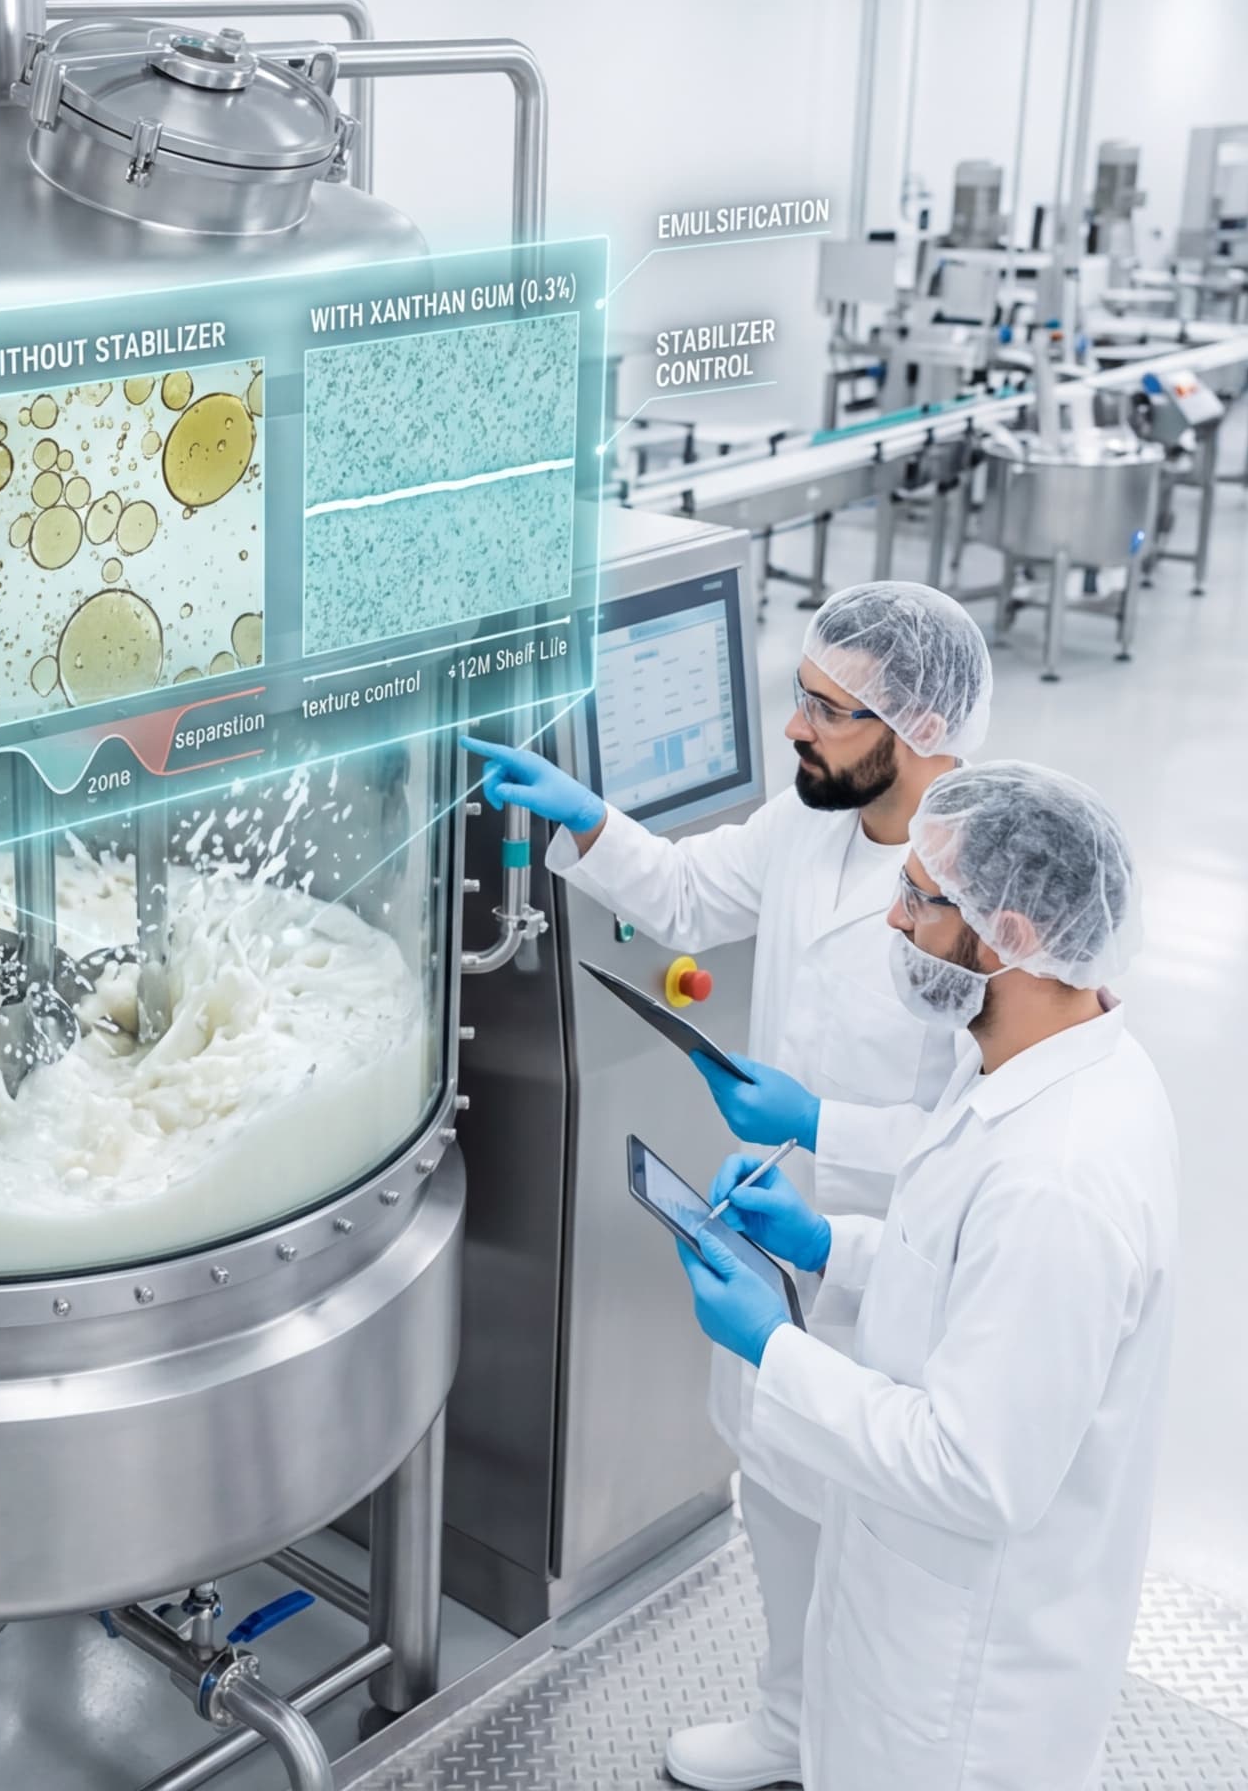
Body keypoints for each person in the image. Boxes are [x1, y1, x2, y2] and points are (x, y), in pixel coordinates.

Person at [463, 581, 992, 1791]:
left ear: (918, 735)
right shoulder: (816, 814)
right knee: (783, 1493)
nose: (793, 727)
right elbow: (695, 895)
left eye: (827, 708)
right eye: (794, 693)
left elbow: (985, 1144)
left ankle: (861, 1751)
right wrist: (588, 819)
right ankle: (790, 1723)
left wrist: (818, 1121)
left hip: (890, 1261)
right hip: (774, 1219)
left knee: (878, 1539)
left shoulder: (969, 892)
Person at [679, 762, 1173, 1791]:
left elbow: (969, 1468)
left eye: (920, 899)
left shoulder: (1059, 1179)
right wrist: (826, 1243)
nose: (894, 923)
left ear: (1012, 937)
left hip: (962, 1699)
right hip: (904, 1618)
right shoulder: (1028, 1057)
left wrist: (772, 1345)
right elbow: (957, 1271)